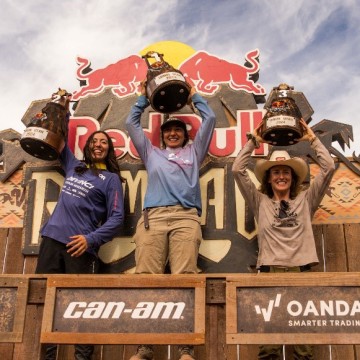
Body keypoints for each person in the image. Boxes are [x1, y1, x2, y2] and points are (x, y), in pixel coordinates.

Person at [126, 81, 216, 360]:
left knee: (185, 279)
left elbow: (210, 117)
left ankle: (185, 347)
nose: (173, 133)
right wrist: (144, 97)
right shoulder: (151, 153)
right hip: (153, 218)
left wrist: (191, 95)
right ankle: (145, 347)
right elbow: (130, 122)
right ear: (162, 136)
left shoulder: (194, 152)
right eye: (168, 130)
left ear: (185, 135)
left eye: (178, 130)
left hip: (185, 217)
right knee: (146, 280)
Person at [232, 118, 335, 360]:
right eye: (276, 172)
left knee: (303, 343)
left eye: (285, 172)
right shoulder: (260, 202)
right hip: (270, 273)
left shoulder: (306, 200)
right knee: (269, 342)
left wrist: (312, 139)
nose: (281, 176)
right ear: (268, 178)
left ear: (293, 177)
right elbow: (237, 169)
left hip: (301, 273)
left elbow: (329, 166)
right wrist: (253, 141)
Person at [36, 94, 125, 360]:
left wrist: (91, 240)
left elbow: (117, 218)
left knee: (80, 307)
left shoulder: (110, 180)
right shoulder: (74, 166)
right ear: (88, 147)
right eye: (94, 141)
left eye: (104, 143)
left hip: (80, 249)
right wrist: (62, 108)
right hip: (52, 241)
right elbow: (58, 138)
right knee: (44, 305)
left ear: (108, 150)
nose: (99, 145)